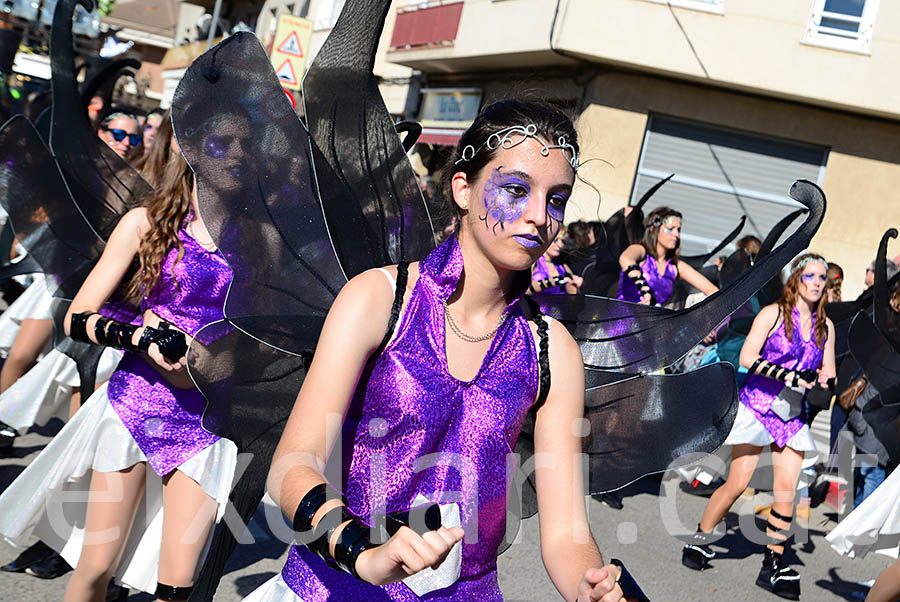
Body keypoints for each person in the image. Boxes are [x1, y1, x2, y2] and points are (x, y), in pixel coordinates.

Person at [244, 100, 635, 602]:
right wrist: (361, 551)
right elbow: (292, 467)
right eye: (516, 190)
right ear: (463, 189)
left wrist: (590, 586)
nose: (540, 216)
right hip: (332, 586)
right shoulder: (380, 298)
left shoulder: (551, 351)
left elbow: (566, 533)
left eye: (556, 198)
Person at [0, 125, 237, 601]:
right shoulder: (145, 223)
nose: (232, 158)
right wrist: (140, 337)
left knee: (178, 587)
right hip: (136, 405)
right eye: (219, 145)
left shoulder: (259, 240)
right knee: (96, 566)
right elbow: (77, 317)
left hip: (209, 419)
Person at [681, 253, 836, 600]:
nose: (816, 282)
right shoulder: (773, 314)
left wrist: (828, 380)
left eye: (822, 277)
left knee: (788, 492)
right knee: (737, 482)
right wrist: (789, 375)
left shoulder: (826, 327)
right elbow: (749, 357)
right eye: (810, 275)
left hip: (792, 416)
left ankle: (772, 564)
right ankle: (701, 538)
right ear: (795, 279)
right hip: (759, 407)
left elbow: (827, 370)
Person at [617, 206, 717, 306]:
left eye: (678, 230)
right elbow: (625, 259)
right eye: (670, 229)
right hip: (621, 318)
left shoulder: (675, 266)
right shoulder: (641, 251)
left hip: (651, 320)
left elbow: (712, 290)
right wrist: (644, 289)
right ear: (653, 228)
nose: (676, 234)